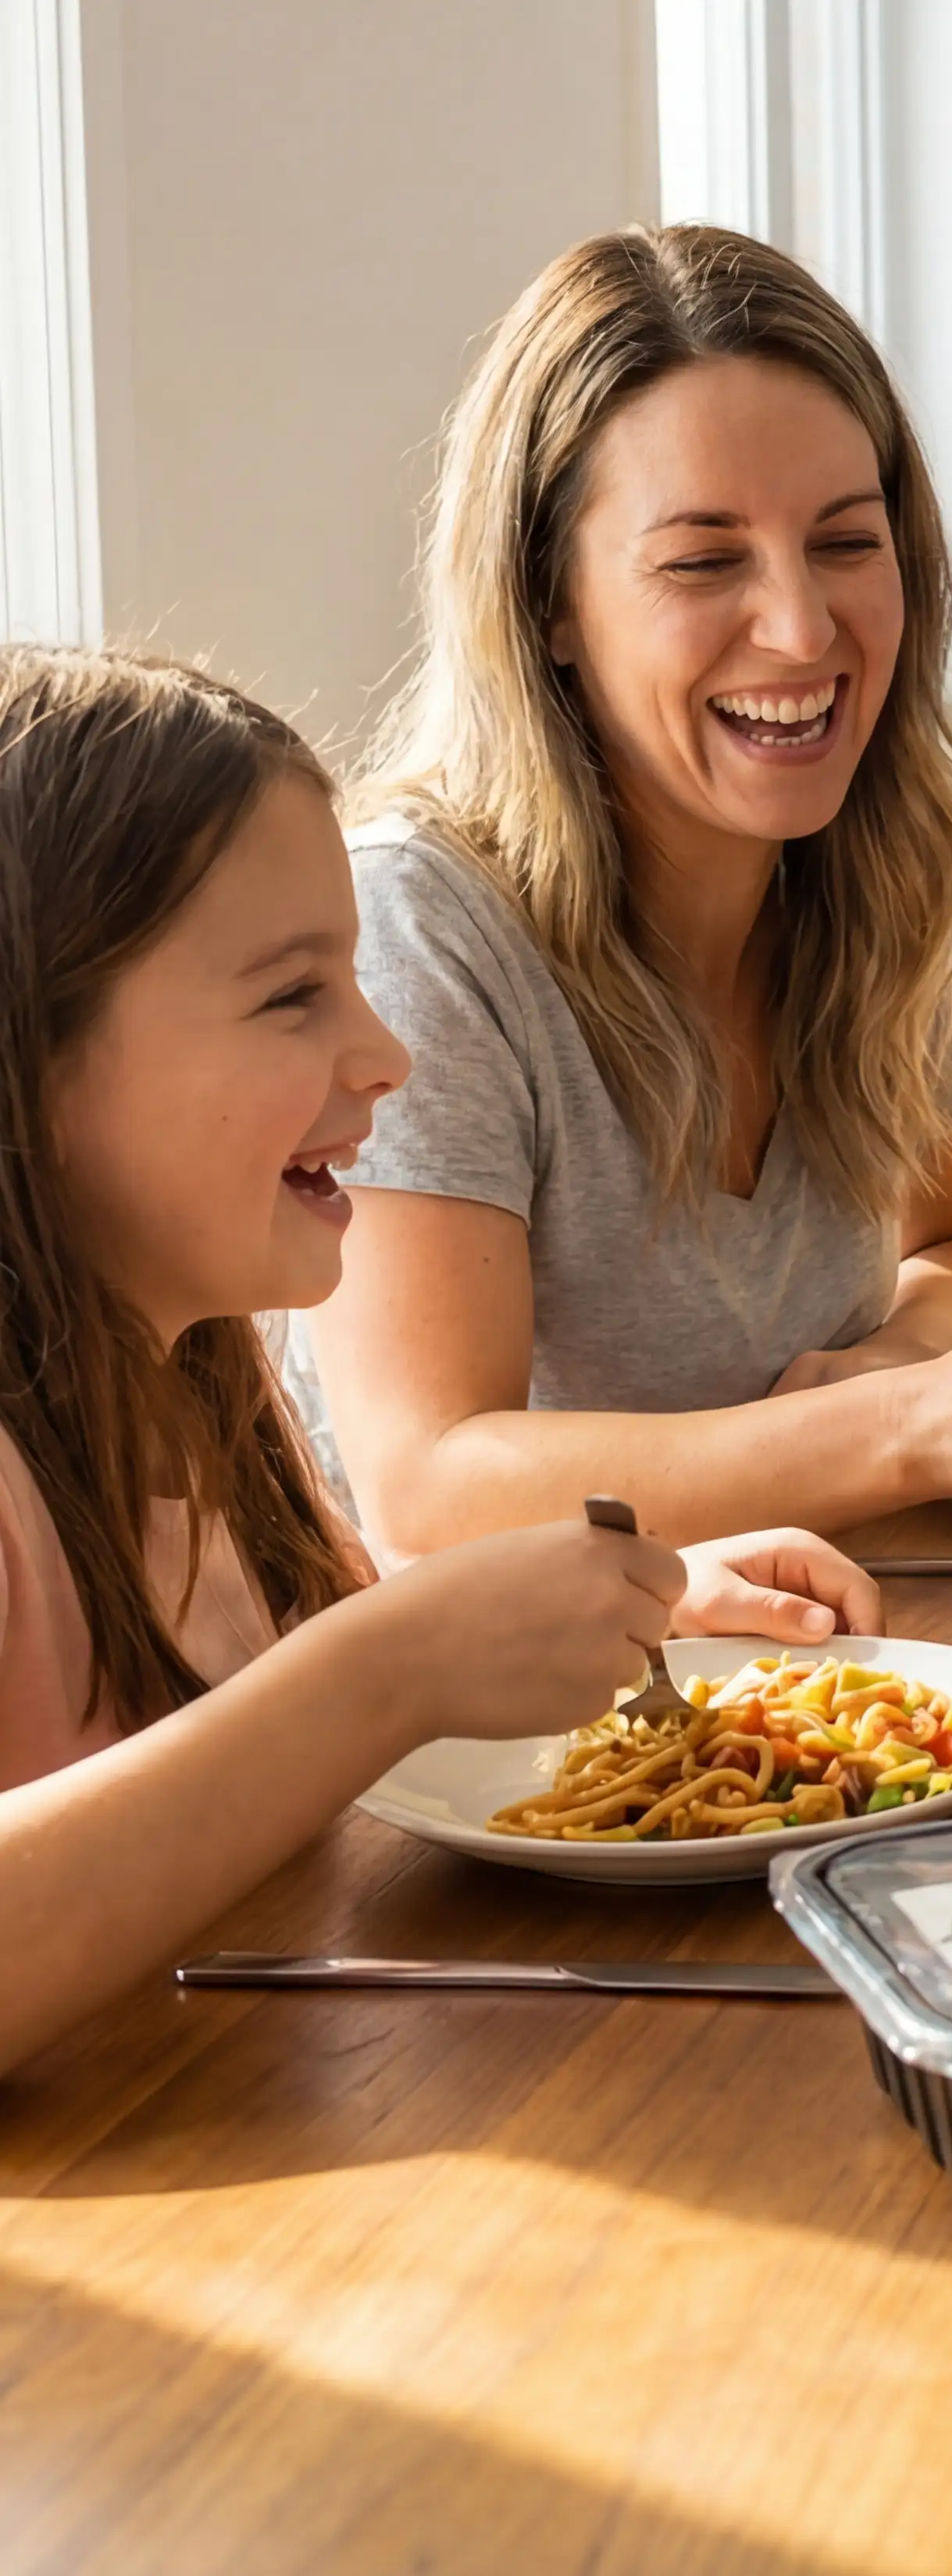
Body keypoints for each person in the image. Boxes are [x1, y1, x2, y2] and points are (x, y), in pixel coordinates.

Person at [0, 646, 878, 2078]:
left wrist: (605, 1605)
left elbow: (337, 1665)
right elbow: (347, 1688)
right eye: (294, 998)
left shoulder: (209, 1391)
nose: (386, 1056)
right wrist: (386, 1666)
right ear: (28, 1054)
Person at [301, 225, 952, 1555]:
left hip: (819, 1663)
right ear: (549, 604)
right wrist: (908, 1427)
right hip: (502, 1737)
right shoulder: (422, 928)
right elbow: (431, 1487)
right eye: (703, 560)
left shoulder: (859, 877)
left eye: (847, 541)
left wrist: (888, 1370)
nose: (800, 627)